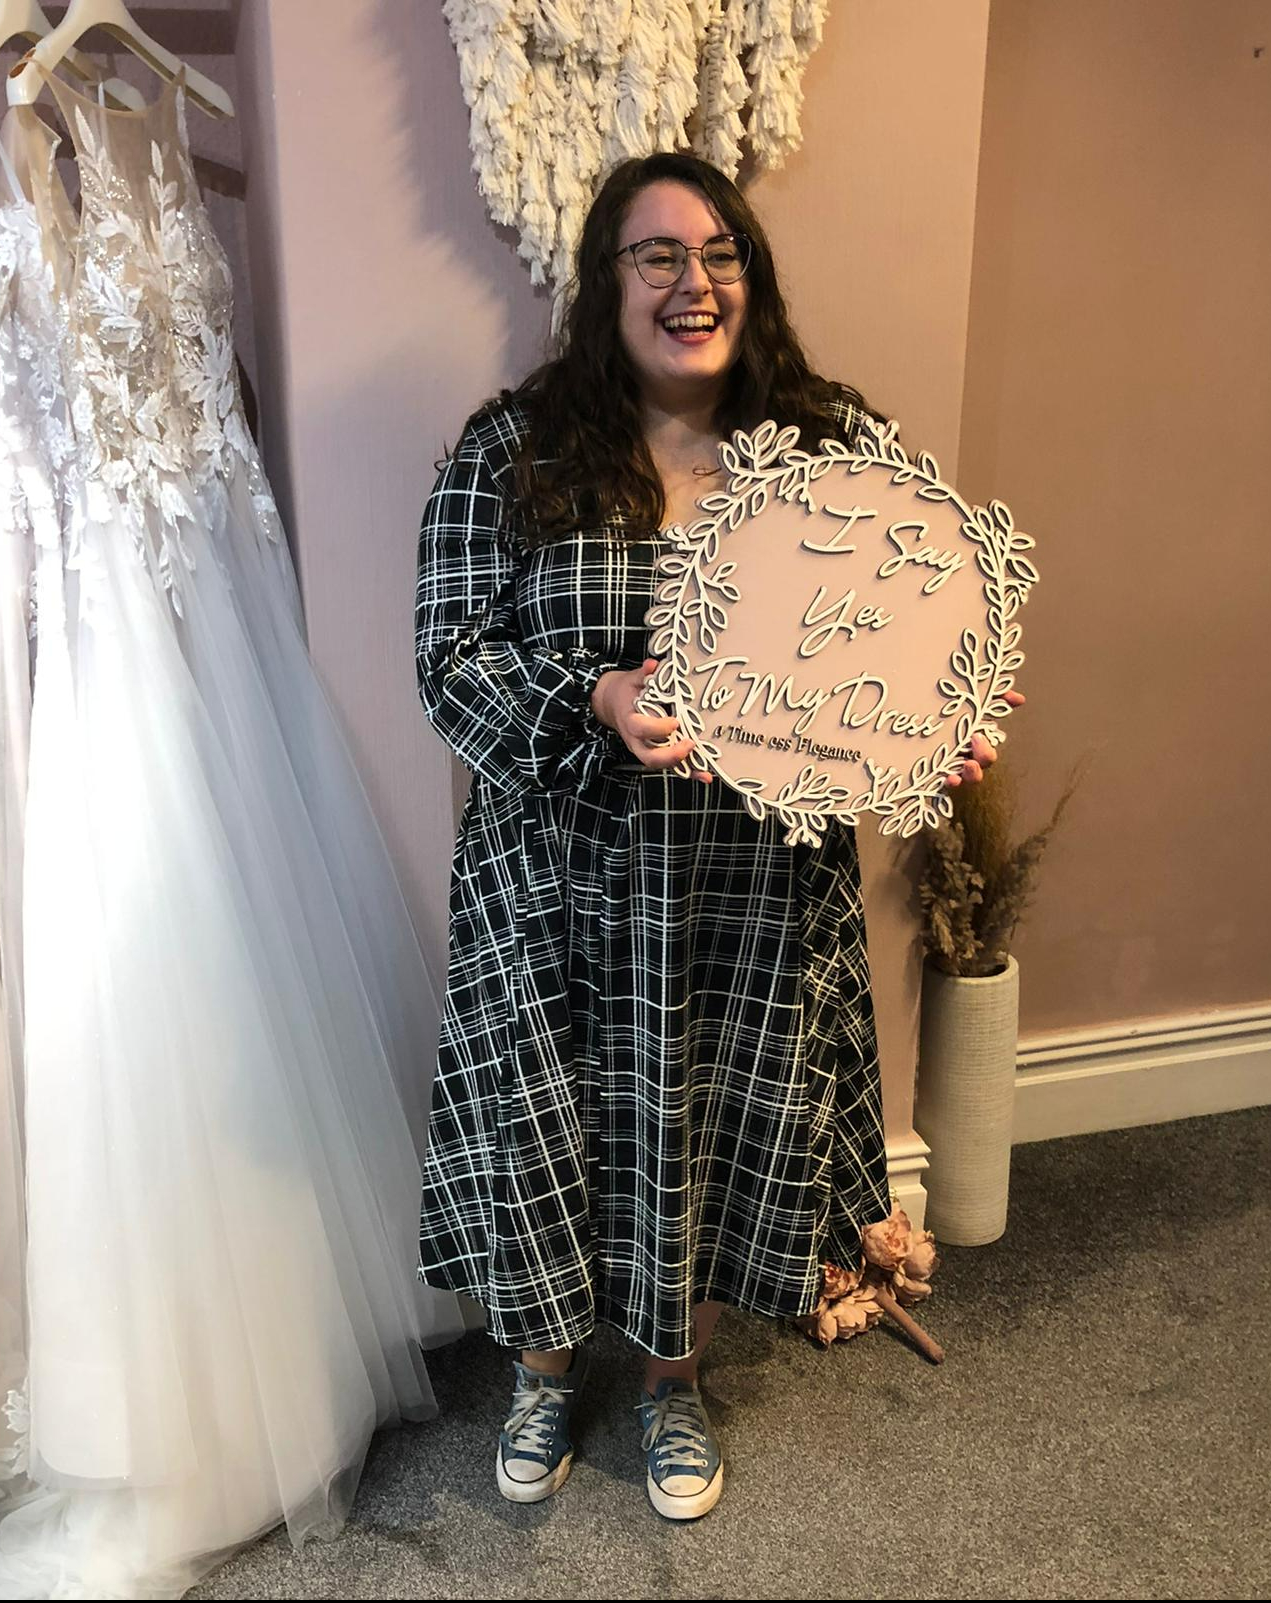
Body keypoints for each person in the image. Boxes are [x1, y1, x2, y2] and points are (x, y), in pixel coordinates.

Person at [414, 151, 1021, 1522]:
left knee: (707, 1131)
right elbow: (450, 659)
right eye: (659, 257)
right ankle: (543, 1369)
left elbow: (901, 636)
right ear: (605, 284)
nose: (697, 285)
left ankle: (674, 1383)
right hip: (556, 882)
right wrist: (599, 695)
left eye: (722, 254)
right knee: (548, 1132)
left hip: (746, 891)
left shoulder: (829, 449)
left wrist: (940, 727)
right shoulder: (510, 454)